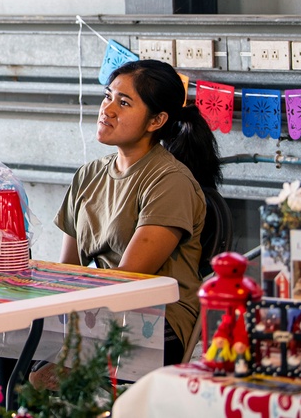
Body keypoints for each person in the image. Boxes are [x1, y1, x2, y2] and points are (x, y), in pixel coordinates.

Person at [55, 59, 219, 366]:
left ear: (155, 121)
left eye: (124, 102)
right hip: (100, 311)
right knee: (10, 340)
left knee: (43, 375)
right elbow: (67, 270)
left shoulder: (170, 181)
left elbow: (128, 280)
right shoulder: (88, 175)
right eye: (108, 96)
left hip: (155, 318)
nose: (107, 109)